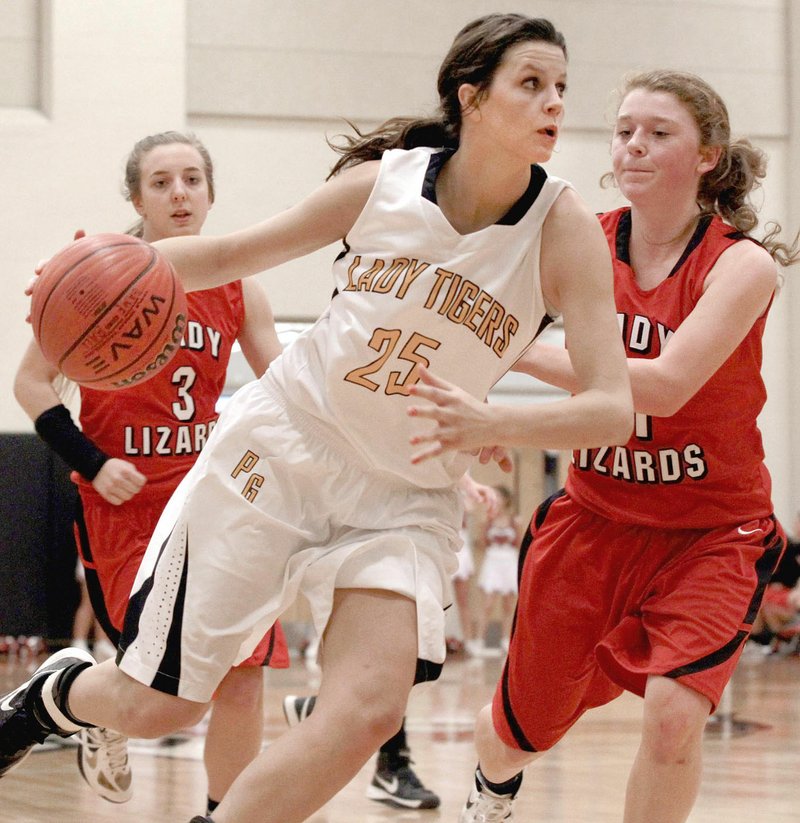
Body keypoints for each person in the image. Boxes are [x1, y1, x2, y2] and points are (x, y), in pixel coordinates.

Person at [0, 15, 633, 823]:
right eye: (532, 84)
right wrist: (80, 272)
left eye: (562, 90)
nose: (554, 105)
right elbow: (232, 255)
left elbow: (612, 407)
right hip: (283, 451)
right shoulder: (387, 183)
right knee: (158, 706)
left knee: (368, 709)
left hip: (403, 495)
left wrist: (493, 424)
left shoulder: (565, 230)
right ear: (472, 99)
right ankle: (53, 693)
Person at [455, 69, 800, 822]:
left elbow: (668, 384)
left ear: (708, 154)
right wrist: (478, 388)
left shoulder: (742, 264)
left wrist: (511, 356)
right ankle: (491, 789)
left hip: (712, 532)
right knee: (518, 733)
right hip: (594, 521)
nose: (634, 145)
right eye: (624, 130)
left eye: (659, 132)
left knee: (675, 717)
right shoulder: (578, 237)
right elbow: (481, 313)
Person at [12, 131, 289, 816]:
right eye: (162, 182)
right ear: (136, 197)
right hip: (126, 505)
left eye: (193, 179)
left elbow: (284, 386)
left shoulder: (238, 285)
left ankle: (221, 811)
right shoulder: (95, 271)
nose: (180, 194)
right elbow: (30, 383)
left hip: (213, 501)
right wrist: (93, 462)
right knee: (156, 689)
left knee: (245, 671)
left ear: (211, 192)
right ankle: (82, 697)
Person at [470, 484, 522, 656]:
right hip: (493, 559)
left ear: (506, 500)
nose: (496, 500)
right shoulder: (488, 520)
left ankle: (506, 641)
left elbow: (520, 543)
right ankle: (479, 640)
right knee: (488, 603)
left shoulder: (515, 520)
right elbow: (482, 543)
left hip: (509, 560)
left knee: (508, 604)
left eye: (499, 497)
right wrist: (482, 527)